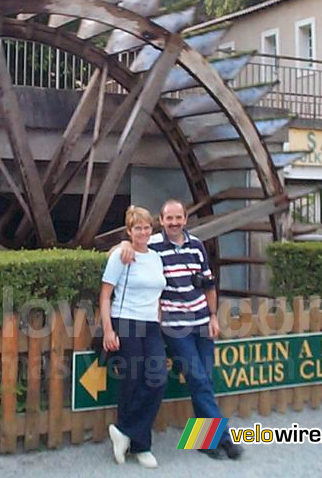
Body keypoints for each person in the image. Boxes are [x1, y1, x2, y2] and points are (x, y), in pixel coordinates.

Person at [118, 199, 242, 460]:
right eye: (168, 218)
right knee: (197, 378)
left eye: (178, 218)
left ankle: (204, 441)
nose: (174, 222)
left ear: (185, 219)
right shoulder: (152, 246)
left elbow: (208, 284)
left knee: (204, 380)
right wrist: (124, 244)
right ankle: (225, 439)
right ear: (161, 221)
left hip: (201, 322)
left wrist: (213, 316)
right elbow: (128, 247)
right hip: (175, 328)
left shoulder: (196, 246)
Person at [101, 205, 167, 469]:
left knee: (158, 379)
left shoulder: (155, 257)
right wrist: (108, 329)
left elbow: (159, 294)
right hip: (126, 321)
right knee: (132, 381)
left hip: (150, 324)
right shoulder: (121, 255)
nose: (143, 231)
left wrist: (159, 321)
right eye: (137, 227)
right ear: (129, 231)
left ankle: (124, 431)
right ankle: (142, 446)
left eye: (147, 227)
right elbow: (105, 295)